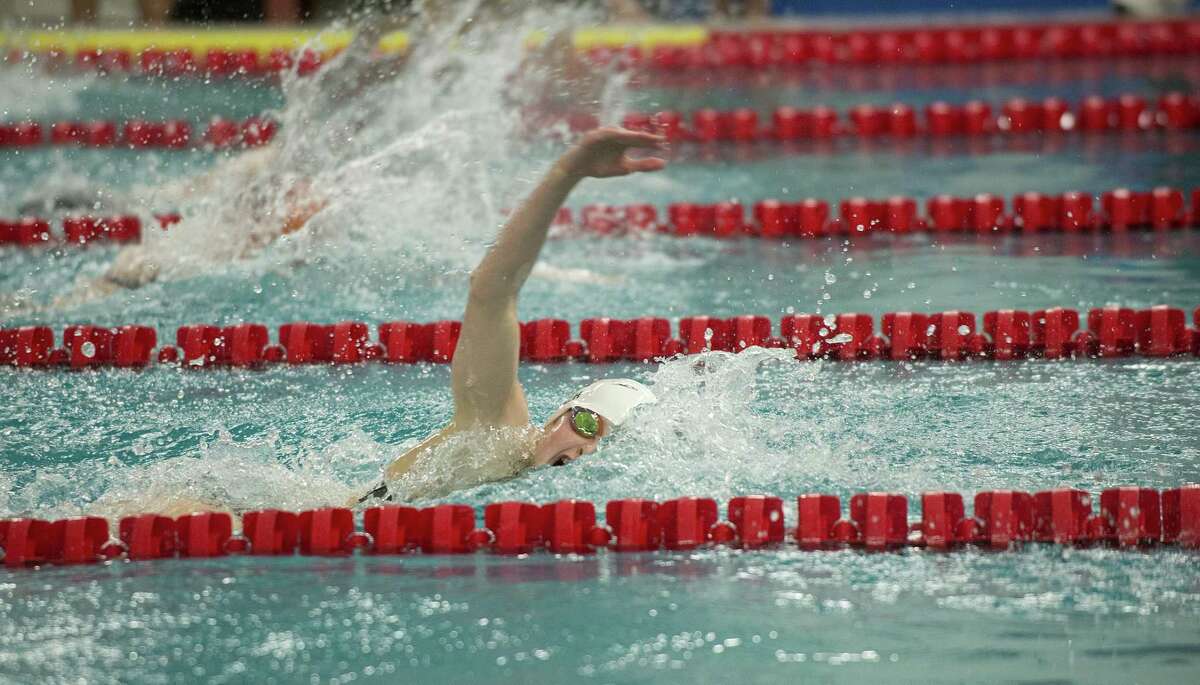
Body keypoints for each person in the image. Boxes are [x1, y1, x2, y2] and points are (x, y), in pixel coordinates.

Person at [357, 126, 666, 504]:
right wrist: (568, 173)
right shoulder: (495, 435)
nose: (586, 450)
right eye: (587, 424)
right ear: (559, 415)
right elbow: (491, 293)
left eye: (604, 446)